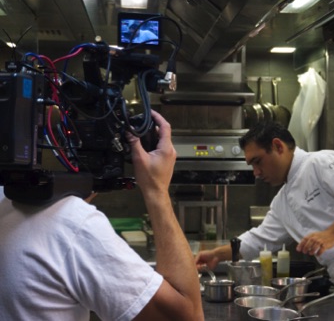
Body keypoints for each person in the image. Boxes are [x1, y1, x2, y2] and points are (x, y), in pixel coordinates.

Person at [195, 121, 334, 321]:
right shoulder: (282, 200)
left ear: (278, 146)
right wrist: (217, 254)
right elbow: (258, 239)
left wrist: (331, 234)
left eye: (258, 162)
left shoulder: (320, 162)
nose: (256, 172)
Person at [0, 111, 204, 321]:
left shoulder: (6, 201)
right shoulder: (73, 226)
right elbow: (187, 317)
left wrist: (90, 178)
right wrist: (156, 189)